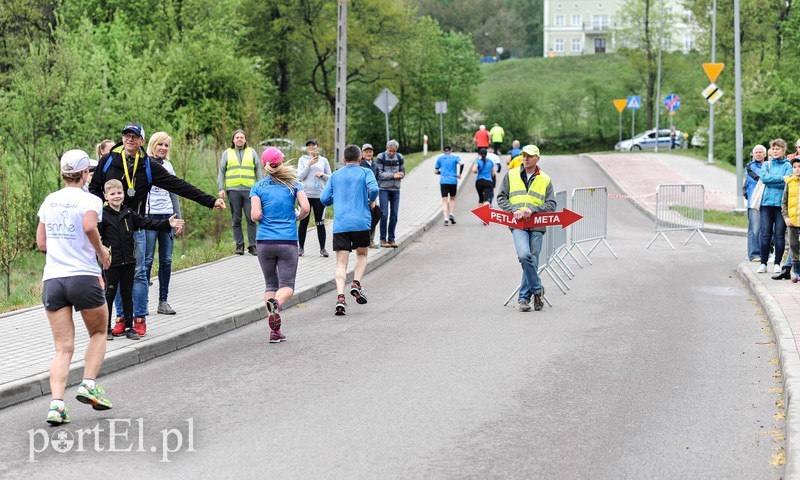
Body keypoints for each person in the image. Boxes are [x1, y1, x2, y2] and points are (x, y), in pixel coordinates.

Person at [89, 122, 225, 338]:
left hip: (136, 226)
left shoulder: (148, 166)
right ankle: (121, 318)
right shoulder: (108, 161)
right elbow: (93, 189)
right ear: (122, 139)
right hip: (112, 228)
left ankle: (139, 318)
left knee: (139, 273)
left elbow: (177, 185)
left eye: (135, 136)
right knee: (112, 273)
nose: (130, 139)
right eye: (126, 136)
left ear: (142, 141)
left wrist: (210, 201)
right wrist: (100, 218)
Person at [37, 149, 113, 424]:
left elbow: (42, 243)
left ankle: (56, 405)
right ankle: (89, 384)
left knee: (63, 347)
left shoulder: (49, 200)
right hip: (83, 276)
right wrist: (102, 252)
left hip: (53, 279)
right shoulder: (90, 200)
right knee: (98, 332)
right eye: (88, 171)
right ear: (83, 174)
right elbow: (90, 226)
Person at [101, 179, 184, 340]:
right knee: (109, 294)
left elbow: (148, 223)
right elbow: (96, 237)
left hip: (129, 261)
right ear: (105, 196)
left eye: (119, 193)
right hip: (112, 262)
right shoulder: (103, 217)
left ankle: (129, 327)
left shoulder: (129, 214)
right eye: (112, 194)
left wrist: (167, 223)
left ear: (124, 194)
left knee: (127, 294)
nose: (116, 196)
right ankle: (106, 329)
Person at [250, 147, 310, 343]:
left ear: (265, 164)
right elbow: (306, 208)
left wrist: (266, 219)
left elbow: (255, 215)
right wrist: (296, 217)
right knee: (287, 287)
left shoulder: (258, 187)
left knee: (270, 284)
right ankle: (276, 303)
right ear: (281, 162)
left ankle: (274, 332)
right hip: (287, 241)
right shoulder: (294, 184)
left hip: (264, 242)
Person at [320, 144, 379, 316]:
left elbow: (324, 198)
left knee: (341, 263)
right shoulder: (366, 172)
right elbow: (374, 189)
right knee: (361, 254)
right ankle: (356, 283)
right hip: (361, 222)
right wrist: (371, 200)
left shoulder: (336, 175)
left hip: (341, 224)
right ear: (360, 159)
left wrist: (334, 200)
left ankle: (340, 297)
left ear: (344, 159)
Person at [497, 145, 556, 312]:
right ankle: (537, 290)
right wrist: (513, 210)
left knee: (533, 260)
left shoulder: (545, 179)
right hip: (518, 225)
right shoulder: (511, 175)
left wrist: (534, 210)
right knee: (524, 255)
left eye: (530, 156)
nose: (526, 159)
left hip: (537, 225)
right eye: (524, 155)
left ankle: (524, 298)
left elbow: (551, 204)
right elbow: (501, 197)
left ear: (538, 158)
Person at [143, 132, 183, 315]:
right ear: (153, 145)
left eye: (166, 145)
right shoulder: (144, 164)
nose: (163, 148)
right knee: (147, 260)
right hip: (150, 217)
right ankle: (142, 303)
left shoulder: (168, 165)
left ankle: (163, 301)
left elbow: (174, 192)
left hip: (168, 216)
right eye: (160, 144)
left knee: (166, 260)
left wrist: (178, 218)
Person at [217, 130, 261, 256]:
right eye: (237, 137)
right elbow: (221, 172)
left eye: (242, 137)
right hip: (233, 190)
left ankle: (253, 245)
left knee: (251, 217)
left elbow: (258, 170)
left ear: (245, 140)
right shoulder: (227, 153)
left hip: (249, 190)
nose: (240, 139)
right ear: (233, 140)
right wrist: (221, 188)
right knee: (236, 219)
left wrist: (261, 187)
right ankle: (239, 245)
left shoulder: (252, 152)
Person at [757, 138, 792, 275]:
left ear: (783, 150)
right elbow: (764, 178)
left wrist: (775, 180)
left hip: (780, 205)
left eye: (778, 149)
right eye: (773, 149)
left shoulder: (788, 165)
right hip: (766, 203)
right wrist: (780, 179)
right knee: (765, 234)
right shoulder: (767, 164)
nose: (775, 151)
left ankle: (777, 262)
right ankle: (763, 263)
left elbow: (788, 181)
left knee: (779, 235)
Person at [297, 139, 332, 257]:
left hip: (319, 196)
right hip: (305, 195)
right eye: (309, 146)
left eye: (313, 145)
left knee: (320, 222)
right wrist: (309, 165)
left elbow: (330, 178)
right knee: (303, 222)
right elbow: (300, 177)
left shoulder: (324, 160)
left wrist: (323, 175)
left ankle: (323, 249)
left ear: (317, 147)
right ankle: (300, 248)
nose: (311, 147)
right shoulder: (302, 160)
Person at [375, 139, 405, 248]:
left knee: (394, 215)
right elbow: (380, 174)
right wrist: (393, 175)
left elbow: (403, 171)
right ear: (387, 148)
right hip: (384, 189)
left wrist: (401, 174)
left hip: (396, 189)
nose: (392, 153)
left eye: (394, 151)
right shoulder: (381, 157)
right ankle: (382, 239)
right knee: (384, 214)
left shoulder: (400, 157)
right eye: (390, 151)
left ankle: (391, 239)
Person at [743, 145, 765, 262]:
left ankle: (764, 253)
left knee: (765, 230)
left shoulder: (768, 165)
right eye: (756, 152)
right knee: (754, 229)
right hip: (754, 203)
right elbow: (760, 179)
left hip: (766, 202)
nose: (758, 154)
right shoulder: (750, 167)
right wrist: (769, 178)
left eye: (760, 152)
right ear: (753, 154)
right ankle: (754, 254)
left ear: (765, 154)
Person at [434, 145, 463, 226]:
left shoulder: (440, 158)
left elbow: (436, 171)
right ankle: (451, 213)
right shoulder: (455, 157)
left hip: (443, 181)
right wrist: (459, 173)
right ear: (451, 150)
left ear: (443, 151)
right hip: (453, 180)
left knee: (444, 200)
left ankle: (446, 219)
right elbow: (462, 164)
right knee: (452, 198)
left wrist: (442, 172)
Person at [360, 143, 382, 248]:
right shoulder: (360, 164)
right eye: (366, 152)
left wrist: (376, 185)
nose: (368, 154)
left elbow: (379, 178)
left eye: (370, 151)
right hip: (363, 195)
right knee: (366, 217)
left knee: (376, 215)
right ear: (362, 153)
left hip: (374, 194)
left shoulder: (374, 164)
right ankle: (364, 239)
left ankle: (371, 239)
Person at [782, 157, 800, 283]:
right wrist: (786, 217)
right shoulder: (789, 182)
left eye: (799, 167)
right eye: (795, 167)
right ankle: (796, 272)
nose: (797, 169)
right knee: (793, 245)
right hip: (792, 220)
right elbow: (784, 202)